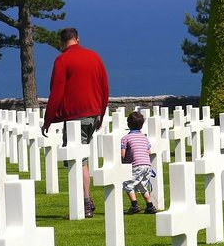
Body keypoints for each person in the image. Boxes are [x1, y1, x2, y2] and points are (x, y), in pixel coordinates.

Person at [41, 27, 109, 218]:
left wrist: (48, 120)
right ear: (77, 39)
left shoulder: (62, 60)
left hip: (75, 118)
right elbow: (104, 87)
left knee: (78, 161)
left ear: (62, 43)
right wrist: (101, 114)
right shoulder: (94, 56)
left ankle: (85, 202)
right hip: (94, 114)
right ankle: (86, 197)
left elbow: (56, 92)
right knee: (82, 159)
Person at [121, 111, 157, 214]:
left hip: (136, 165)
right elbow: (148, 151)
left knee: (128, 184)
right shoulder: (144, 137)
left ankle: (134, 205)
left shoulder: (126, 138)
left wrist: (123, 162)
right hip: (147, 165)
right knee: (142, 185)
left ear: (128, 124)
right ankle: (150, 206)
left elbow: (123, 154)